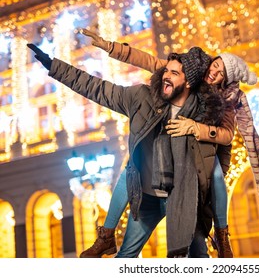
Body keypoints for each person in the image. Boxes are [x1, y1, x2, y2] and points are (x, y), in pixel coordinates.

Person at [79, 28, 259, 258]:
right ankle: (106, 235)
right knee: (132, 170)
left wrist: (196, 128)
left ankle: (222, 234)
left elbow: (227, 135)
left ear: (225, 80)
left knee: (217, 178)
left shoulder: (227, 100)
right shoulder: (190, 74)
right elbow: (148, 60)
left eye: (220, 73)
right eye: (215, 65)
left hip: (203, 152)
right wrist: (110, 47)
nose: (213, 72)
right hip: (169, 138)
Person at [27, 43, 229, 258]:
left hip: (183, 201)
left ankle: (223, 238)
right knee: (125, 257)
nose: (165, 76)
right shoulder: (142, 98)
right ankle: (106, 237)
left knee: (198, 258)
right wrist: (54, 67)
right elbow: (96, 87)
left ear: (188, 82)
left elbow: (216, 170)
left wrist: (217, 224)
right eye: (166, 70)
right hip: (148, 197)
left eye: (174, 73)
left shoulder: (201, 119)